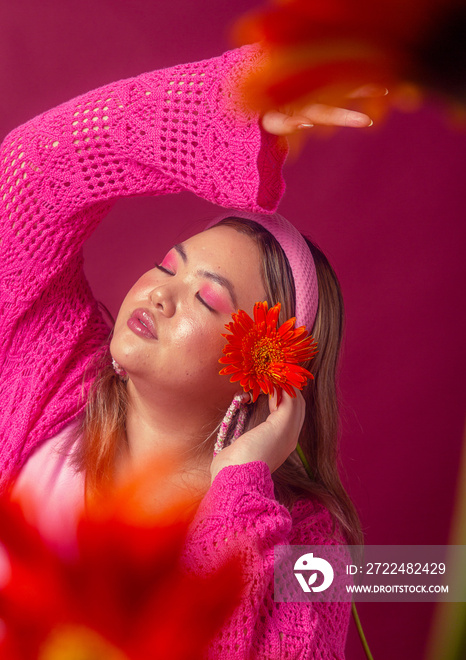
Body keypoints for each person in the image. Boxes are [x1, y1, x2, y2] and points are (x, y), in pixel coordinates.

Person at [0, 44, 372, 658]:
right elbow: (28, 178)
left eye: (207, 299)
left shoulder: (307, 545)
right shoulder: (54, 366)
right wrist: (226, 100)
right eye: (165, 266)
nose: (160, 293)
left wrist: (238, 489)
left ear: (263, 369)